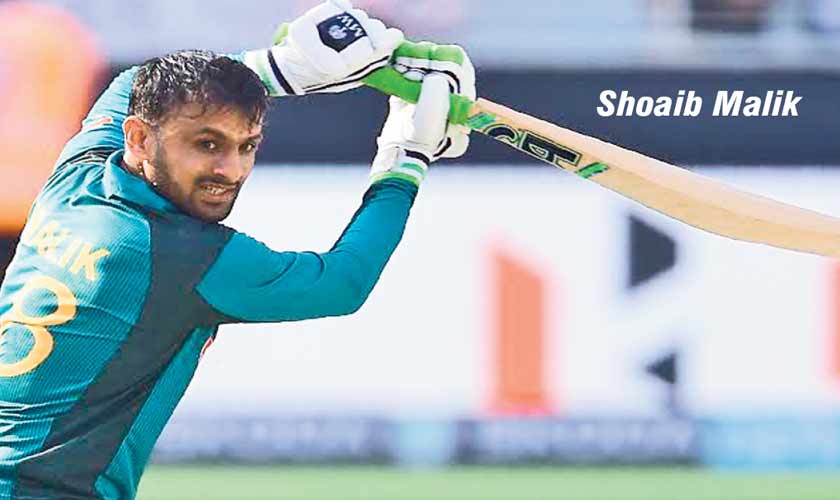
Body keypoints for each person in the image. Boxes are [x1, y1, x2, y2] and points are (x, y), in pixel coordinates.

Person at [0, 0, 476, 498]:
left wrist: (279, 67)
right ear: (139, 138)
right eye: (206, 144)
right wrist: (404, 160)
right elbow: (341, 284)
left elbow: (131, 83)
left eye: (247, 146)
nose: (230, 170)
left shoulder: (76, 179)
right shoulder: (177, 254)